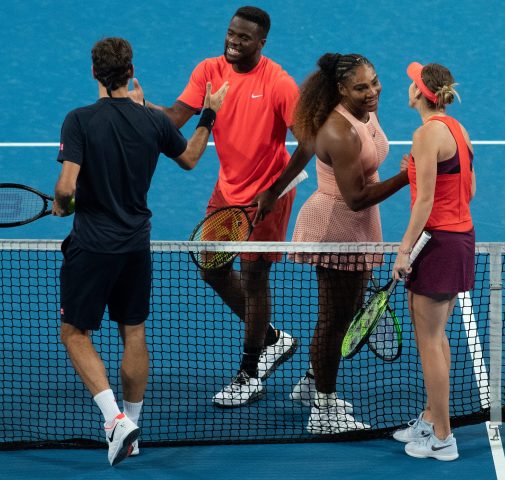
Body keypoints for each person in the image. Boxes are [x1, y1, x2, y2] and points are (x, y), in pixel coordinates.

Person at [52, 37, 227, 466]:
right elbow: (189, 158)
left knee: (74, 333)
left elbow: (66, 188)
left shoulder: (79, 120)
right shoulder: (152, 120)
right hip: (136, 245)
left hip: (92, 246)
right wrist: (210, 112)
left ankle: (114, 421)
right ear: (132, 72)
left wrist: (63, 205)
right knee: (133, 332)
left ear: (94, 73)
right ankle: (134, 425)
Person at [134, 6, 313, 407]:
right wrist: (141, 105)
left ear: (261, 42)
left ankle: (249, 372)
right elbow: (177, 119)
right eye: (231, 33)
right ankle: (271, 339)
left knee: (253, 277)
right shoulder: (209, 70)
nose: (233, 41)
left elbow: (309, 143)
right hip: (228, 190)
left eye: (243, 37)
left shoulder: (279, 84)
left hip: (269, 195)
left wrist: (275, 190)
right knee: (211, 267)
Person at [255, 53, 409, 434]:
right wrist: (408, 176)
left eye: (374, 81)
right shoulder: (339, 130)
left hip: (357, 224)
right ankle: (323, 411)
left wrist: (274, 191)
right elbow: (356, 196)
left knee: (346, 309)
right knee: (334, 320)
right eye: (361, 87)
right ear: (342, 89)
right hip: (337, 225)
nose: (372, 91)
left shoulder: (360, 109)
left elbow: (305, 146)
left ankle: (311, 384)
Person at [391, 62, 476, 461]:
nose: (407, 85)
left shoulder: (426, 134)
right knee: (438, 337)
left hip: (435, 242)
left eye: (412, 82)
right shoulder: (458, 129)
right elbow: (469, 189)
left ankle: (443, 437)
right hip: (457, 238)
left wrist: (405, 248)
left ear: (419, 93)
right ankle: (430, 418)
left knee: (429, 342)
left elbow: (425, 199)